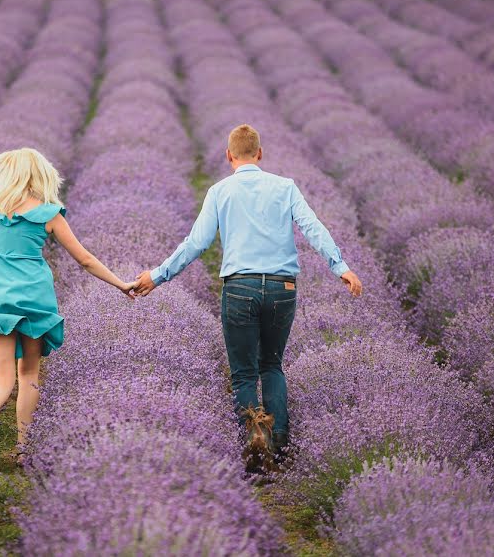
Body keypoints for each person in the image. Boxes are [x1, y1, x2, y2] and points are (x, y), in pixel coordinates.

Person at [133, 124, 363, 464]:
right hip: (283, 288)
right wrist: (340, 266)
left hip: (240, 287)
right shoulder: (285, 187)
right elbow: (313, 227)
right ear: (260, 153)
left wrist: (157, 275)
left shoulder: (219, 191)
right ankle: (281, 446)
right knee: (271, 365)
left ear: (228, 156)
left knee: (243, 372)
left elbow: (196, 243)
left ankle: (256, 438)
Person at [0, 147, 136, 464]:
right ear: (40, 175)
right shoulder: (49, 213)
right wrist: (121, 283)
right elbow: (84, 259)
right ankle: (22, 447)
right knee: (28, 374)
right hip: (34, 297)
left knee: (2, 380)